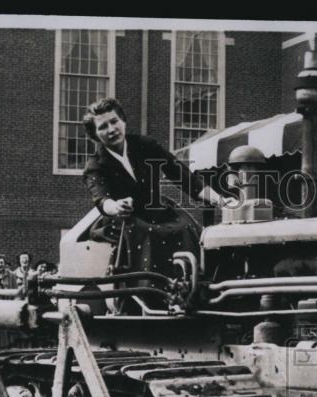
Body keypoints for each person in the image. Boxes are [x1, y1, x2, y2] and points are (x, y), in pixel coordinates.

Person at [81, 97, 228, 276]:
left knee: (187, 228)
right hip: (125, 221)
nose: (111, 129)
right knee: (147, 234)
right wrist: (116, 206)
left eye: (114, 121)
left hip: (159, 212)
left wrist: (220, 200)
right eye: (103, 127)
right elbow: (101, 198)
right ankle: (152, 295)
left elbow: (183, 176)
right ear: (95, 135)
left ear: (123, 121)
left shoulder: (146, 145)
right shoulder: (95, 165)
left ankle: (194, 287)